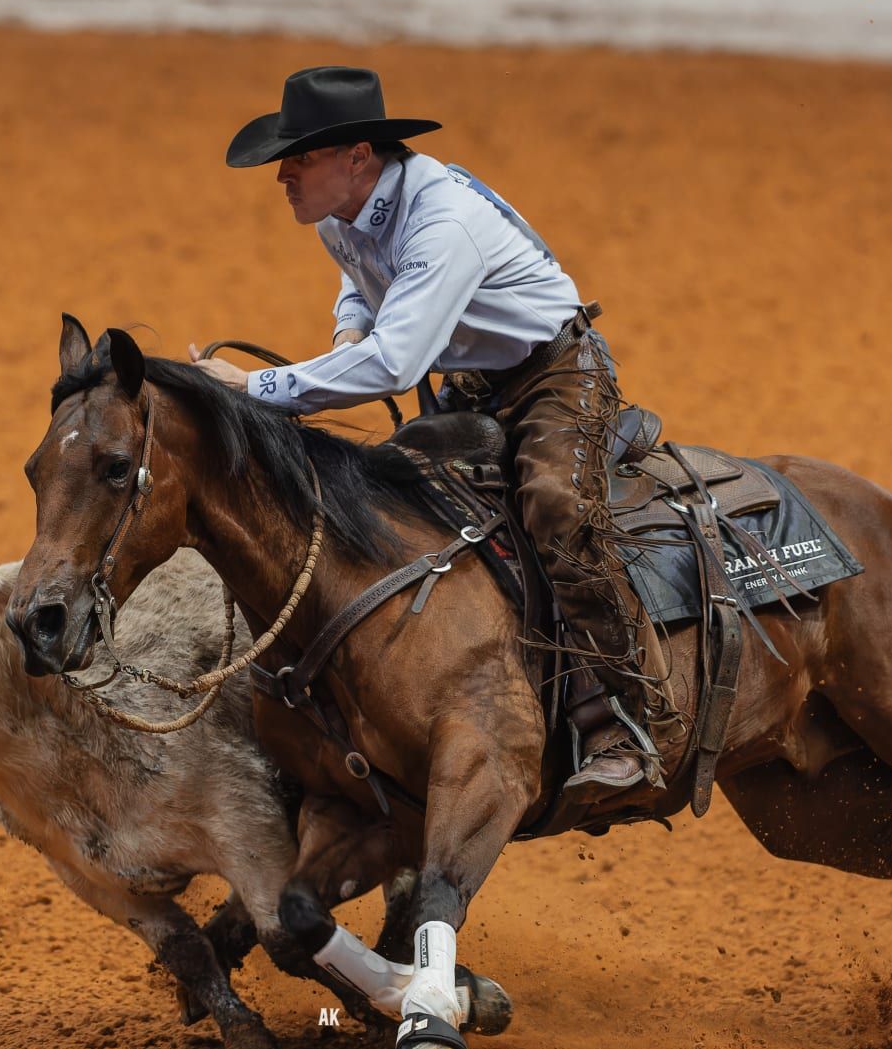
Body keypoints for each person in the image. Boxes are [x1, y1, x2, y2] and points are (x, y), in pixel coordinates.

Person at [191, 65, 664, 791]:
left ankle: (629, 717)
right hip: (476, 378)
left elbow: (397, 363)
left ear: (358, 157)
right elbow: (362, 282)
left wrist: (253, 388)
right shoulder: (339, 214)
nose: (283, 172)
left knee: (556, 509)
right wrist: (348, 328)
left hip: (556, 373)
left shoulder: (442, 223)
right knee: (400, 512)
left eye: (301, 156)